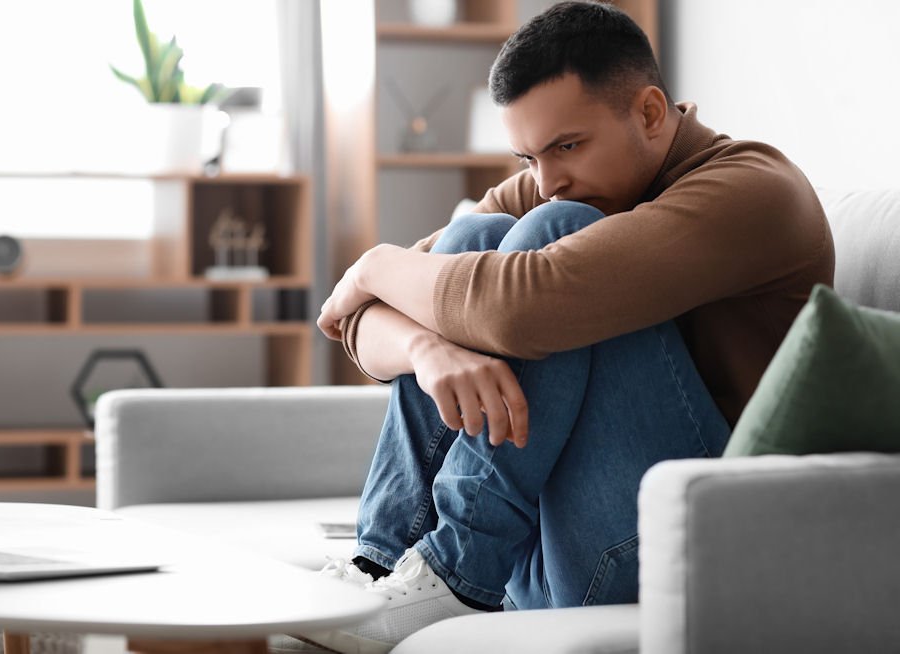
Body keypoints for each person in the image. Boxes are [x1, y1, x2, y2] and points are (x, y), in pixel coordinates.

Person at [300, 2, 834, 652]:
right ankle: (382, 565)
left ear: (650, 113)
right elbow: (358, 326)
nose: (546, 180)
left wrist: (379, 263)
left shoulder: (752, 191)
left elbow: (518, 306)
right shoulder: (560, 182)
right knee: (474, 236)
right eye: (527, 157)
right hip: (553, 550)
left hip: (692, 544)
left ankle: (457, 571)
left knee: (554, 237)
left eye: (568, 146)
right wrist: (429, 349)